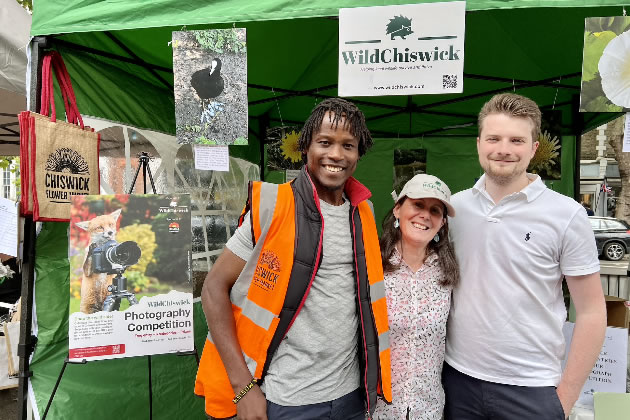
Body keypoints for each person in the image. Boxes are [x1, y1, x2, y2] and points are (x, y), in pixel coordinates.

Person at [195, 98, 391, 420]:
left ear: (359, 153)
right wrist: (243, 388)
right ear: (306, 147)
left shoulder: (363, 211)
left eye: (348, 145)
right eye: (325, 142)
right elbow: (213, 287)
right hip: (287, 399)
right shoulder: (273, 206)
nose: (336, 155)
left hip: (353, 397)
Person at [443, 93, 607, 420]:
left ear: (533, 149)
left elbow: (591, 311)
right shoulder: (454, 209)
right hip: (456, 380)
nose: (504, 149)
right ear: (479, 144)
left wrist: (565, 398)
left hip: (531, 388)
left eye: (516, 140)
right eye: (494, 138)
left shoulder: (567, 215)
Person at [373, 174, 459, 420]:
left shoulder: (448, 270)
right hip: (376, 410)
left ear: (442, 223)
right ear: (398, 210)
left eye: (435, 210)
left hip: (429, 409)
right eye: (418, 205)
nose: (425, 215)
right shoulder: (372, 264)